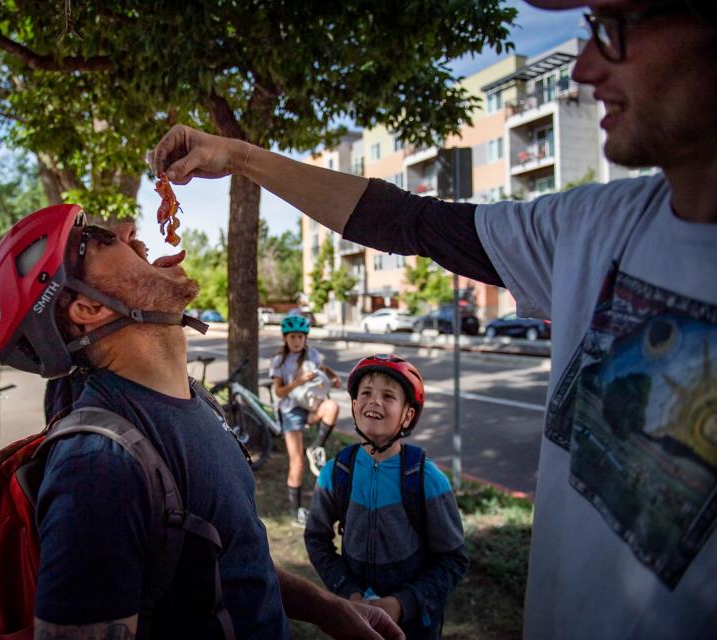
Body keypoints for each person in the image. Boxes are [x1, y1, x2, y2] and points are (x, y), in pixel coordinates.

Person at [148, 2, 717, 636]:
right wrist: (243, 157)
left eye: (615, 29)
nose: (584, 67)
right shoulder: (593, 225)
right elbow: (408, 220)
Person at [0, 203, 403, 640]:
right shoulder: (98, 467)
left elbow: (230, 558)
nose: (128, 231)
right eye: (101, 239)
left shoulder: (192, 399)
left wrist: (327, 607)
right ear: (88, 308)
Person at [305, 355, 467, 640]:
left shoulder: (427, 479)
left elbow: (452, 560)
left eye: (388, 395)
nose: (374, 401)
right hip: (355, 616)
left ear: (407, 415)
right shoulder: (336, 472)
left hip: (413, 624)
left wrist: (402, 604)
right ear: (354, 406)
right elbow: (317, 539)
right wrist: (348, 592)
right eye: (365, 393)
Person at [270, 314, 341, 526]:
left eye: (301, 337)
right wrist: (298, 381)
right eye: (293, 337)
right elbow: (280, 393)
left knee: (333, 407)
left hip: (311, 407)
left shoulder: (312, 355)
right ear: (285, 338)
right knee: (297, 461)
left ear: (305, 338)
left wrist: (334, 378)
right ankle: (296, 511)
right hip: (291, 411)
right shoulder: (279, 361)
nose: (297, 341)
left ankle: (316, 448)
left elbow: (325, 371)